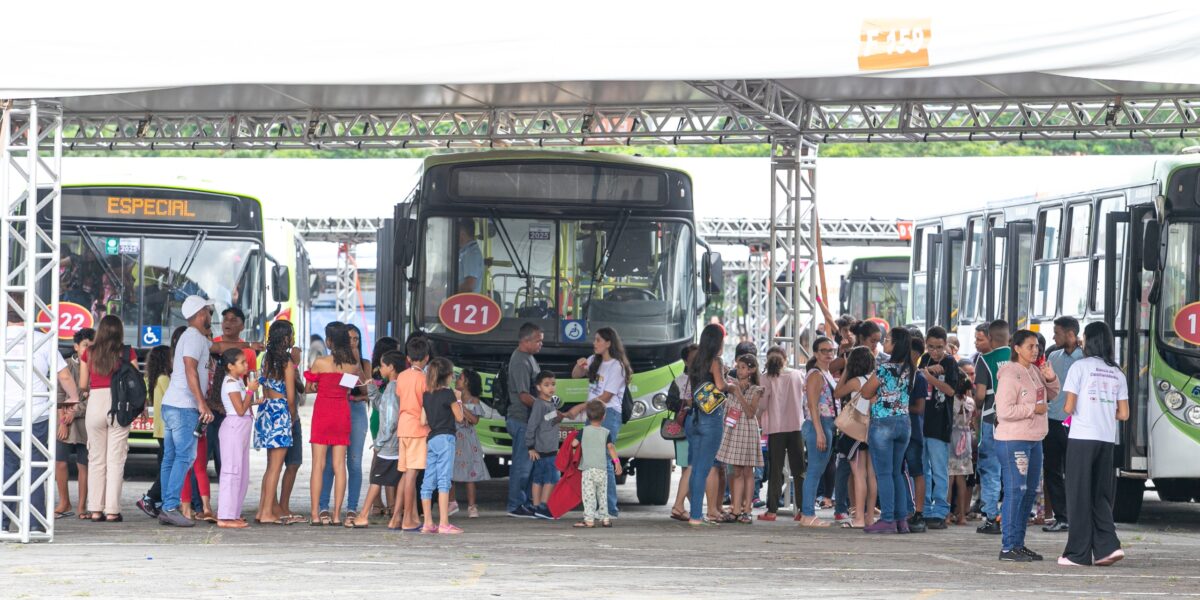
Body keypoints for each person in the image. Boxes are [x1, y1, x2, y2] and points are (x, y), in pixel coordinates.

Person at [158, 296, 262, 528]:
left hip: (173, 404)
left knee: (171, 458)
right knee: (184, 457)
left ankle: (166, 506)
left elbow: (219, 347)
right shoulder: (193, 338)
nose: (211, 316)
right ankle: (170, 507)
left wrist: (248, 346)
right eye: (208, 311)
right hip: (184, 406)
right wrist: (201, 403)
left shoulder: (196, 338)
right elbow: (190, 370)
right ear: (199, 313)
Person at [3, 296, 81, 533]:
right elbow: (65, 376)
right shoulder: (44, 340)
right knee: (35, 468)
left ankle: (3, 523)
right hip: (36, 415)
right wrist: (73, 398)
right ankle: (35, 523)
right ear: (29, 312)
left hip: (4, 415)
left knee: (5, 470)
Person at [1059, 321, 1128, 567]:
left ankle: (1077, 554)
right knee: (1100, 495)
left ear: (1090, 340)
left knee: (1078, 495)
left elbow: (1068, 407)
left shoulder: (1080, 367)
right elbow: (1124, 414)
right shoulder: (1117, 372)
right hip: (1106, 439)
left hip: (1082, 438)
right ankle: (1108, 548)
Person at [993, 328, 1059, 562]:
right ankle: (1008, 545)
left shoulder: (1034, 370)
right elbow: (1004, 411)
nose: (1035, 350)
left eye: (1038, 346)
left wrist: (1050, 377)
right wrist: (1033, 409)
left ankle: (1018, 544)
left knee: (1029, 492)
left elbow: (1052, 395)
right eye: (1030, 346)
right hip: (1014, 440)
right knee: (1016, 491)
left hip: (1034, 439)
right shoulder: (1010, 374)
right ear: (1017, 348)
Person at [566, 327, 632, 519]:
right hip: (593, 412)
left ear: (609, 343)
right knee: (591, 459)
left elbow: (606, 396)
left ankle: (610, 508)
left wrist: (580, 407)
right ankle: (595, 506)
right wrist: (580, 366)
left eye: (598, 340)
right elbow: (575, 375)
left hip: (608, 413)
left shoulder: (617, 366)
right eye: (594, 340)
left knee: (604, 458)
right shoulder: (594, 360)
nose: (594, 343)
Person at [79, 314, 137, 522]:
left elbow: (83, 384)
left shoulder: (89, 352)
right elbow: (134, 382)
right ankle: (112, 510)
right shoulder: (127, 353)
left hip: (95, 404)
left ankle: (95, 509)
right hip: (119, 405)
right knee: (116, 460)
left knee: (95, 459)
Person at [859, 327, 917, 534]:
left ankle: (887, 519)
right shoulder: (911, 368)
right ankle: (901, 519)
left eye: (888, 339)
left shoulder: (885, 368)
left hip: (883, 423)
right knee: (897, 472)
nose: (884, 342)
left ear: (897, 344)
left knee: (883, 473)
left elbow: (866, 392)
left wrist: (875, 395)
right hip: (904, 423)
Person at [305, 323, 362, 526]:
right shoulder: (352, 366)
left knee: (318, 466)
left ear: (329, 341)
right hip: (341, 415)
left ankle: (315, 514)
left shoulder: (320, 362)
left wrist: (320, 385)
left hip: (322, 414)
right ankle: (338, 515)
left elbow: (309, 388)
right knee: (340, 466)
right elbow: (347, 392)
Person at [318, 324, 371, 526]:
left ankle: (351, 508)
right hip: (338, 410)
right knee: (331, 461)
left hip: (356, 413)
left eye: (356, 339)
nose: (353, 342)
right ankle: (324, 506)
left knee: (354, 462)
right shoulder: (332, 363)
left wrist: (356, 362)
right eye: (349, 339)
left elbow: (366, 390)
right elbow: (339, 389)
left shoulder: (363, 362)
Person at [685, 323, 732, 526]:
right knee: (704, 469)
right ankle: (696, 516)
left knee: (696, 468)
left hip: (694, 417)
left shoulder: (695, 361)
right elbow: (721, 386)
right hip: (711, 418)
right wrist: (734, 387)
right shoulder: (716, 361)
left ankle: (695, 513)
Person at [253, 320, 300, 526]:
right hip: (280, 411)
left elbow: (264, 386)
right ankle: (267, 514)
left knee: (270, 466)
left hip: (267, 410)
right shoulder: (287, 362)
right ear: (286, 338)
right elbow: (290, 397)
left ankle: (263, 509)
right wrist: (291, 419)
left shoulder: (266, 359)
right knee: (276, 467)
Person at [353, 350, 404, 529]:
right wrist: (372, 388)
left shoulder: (392, 387)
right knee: (400, 482)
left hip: (388, 446)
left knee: (376, 480)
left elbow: (390, 419)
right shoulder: (395, 386)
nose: (379, 368)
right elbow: (381, 405)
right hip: (397, 444)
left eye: (382, 365)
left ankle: (363, 515)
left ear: (391, 367)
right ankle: (396, 517)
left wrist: (379, 442)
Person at [918, 326, 960, 530]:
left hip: (939, 423)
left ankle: (940, 510)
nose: (935, 352)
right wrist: (924, 371)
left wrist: (930, 378)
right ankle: (924, 507)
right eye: (931, 347)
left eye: (939, 348)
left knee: (939, 469)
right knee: (923, 468)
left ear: (946, 346)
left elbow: (950, 390)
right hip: (922, 422)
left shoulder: (950, 362)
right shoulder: (923, 360)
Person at [714, 354, 764, 524]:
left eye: (743, 367)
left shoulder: (756, 389)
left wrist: (738, 393)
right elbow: (719, 374)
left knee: (748, 471)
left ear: (752, 370)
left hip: (747, 430)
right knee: (735, 471)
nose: (740, 370)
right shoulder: (730, 383)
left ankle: (747, 510)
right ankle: (736, 509)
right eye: (738, 366)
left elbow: (751, 413)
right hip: (733, 429)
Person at [1044, 315, 1082, 534]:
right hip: (1052, 421)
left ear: (1070, 333)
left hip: (1076, 424)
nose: (1053, 336)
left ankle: (1078, 516)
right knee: (1052, 471)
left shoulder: (1085, 358)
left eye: (1057, 332)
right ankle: (1062, 517)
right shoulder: (1053, 356)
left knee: (1076, 471)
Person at [758, 346, 806, 521]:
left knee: (775, 470)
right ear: (785, 359)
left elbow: (762, 405)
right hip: (796, 427)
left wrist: (756, 417)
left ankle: (772, 511)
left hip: (776, 428)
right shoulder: (797, 375)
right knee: (799, 469)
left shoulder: (765, 378)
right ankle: (802, 509)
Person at [214, 348, 260, 528]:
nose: (246, 365)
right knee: (231, 472)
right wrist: (250, 391)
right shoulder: (231, 383)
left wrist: (254, 398)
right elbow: (239, 410)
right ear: (230, 366)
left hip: (241, 429)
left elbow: (244, 405)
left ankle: (233, 512)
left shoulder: (238, 381)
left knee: (241, 472)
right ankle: (225, 516)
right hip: (234, 427)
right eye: (242, 362)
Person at [209, 307, 257, 479]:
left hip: (234, 413)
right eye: (225, 319)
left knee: (227, 461)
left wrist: (250, 401)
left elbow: (247, 383)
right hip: (211, 409)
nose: (228, 323)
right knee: (203, 455)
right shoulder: (212, 345)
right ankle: (197, 502)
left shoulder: (249, 353)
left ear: (243, 326)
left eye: (233, 320)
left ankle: (228, 497)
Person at [974, 320, 1011, 535]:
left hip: (991, 419)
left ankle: (991, 517)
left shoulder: (984, 360)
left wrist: (977, 405)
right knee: (1011, 472)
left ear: (990, 337)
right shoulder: (1018, 358)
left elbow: (980, 395)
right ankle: (1010, 515)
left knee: (990, 469)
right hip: (1016, 422)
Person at [834, 346, 876, 529]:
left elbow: (837, 393)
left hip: (855, 432)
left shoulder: (855, 381)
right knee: (871, 476)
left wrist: (846, 370)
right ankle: (869, 516)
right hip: (872, 430)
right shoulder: (875, 380)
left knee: (858, 474)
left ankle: (858, 517)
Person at [420, 357, 464, 534]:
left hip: (431, 439)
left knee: (428, 481)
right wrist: (459, 399)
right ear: (448, 376)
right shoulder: (449, 394)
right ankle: (444, 523)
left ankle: (428, 523)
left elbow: (423, 420)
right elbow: (460, 417)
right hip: (446, 438)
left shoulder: (426, 394)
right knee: (444, 481)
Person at [798, 337, 838, 527]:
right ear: (815, 353)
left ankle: (807, 513)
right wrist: (819, 431)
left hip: (825, 424)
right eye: (824, 350)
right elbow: (813, 405)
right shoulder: (816, 374)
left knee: (817, 470)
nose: (829, 354)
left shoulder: (826, 372)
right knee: (814, 471)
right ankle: (807, 514)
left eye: (831, 350)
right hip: (819, 423)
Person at [392, 335, 431, 531]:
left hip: (403, 427)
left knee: (406, 473)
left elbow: (400, 397)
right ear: (427, 358)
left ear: (408, 358)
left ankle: (397, 518)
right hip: (418, 429)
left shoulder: (402, 376)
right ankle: (408, 519)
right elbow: (427, 405)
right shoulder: (424, 379)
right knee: (412, 476)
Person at [55, 328, 93, 520]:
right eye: (85, 346)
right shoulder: (66, 366)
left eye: (92, 347)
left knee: (83, 465)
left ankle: (82, 506)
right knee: (59, 462)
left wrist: (75, 411)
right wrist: (63, 421)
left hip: (86, 424)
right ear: (76, 346)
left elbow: (93, 398)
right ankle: (64, 501)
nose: (88, 350)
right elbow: (58, 395)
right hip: (64, 422)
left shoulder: (97, 367)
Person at [506, 323, 544, 518]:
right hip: (521, 419)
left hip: (529, 420)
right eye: (538, 341)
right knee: (521, 465)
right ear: (526, 341)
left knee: (530, 464)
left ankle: (526, 502)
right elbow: (523, 396)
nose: (541, 344)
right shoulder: (520, 361)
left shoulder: (529, 358)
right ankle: (515, 505)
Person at [572, 400, 622, 529]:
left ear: (588, 416)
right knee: (602, 495)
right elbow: (611, 448)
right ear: (604, 416)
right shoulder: (606, 432)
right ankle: (605, 519)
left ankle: (589, 520)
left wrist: (573, 440)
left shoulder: (584, 431)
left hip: (588, 470)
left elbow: (574, 444)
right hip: (602, 470)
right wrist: (617, 463)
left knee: (589, 496)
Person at [136, 344, 172, 519]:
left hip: (159, 428)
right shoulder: (165, 379)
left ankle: (157, 500)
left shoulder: (152, 378)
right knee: (168, 467)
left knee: (164, 464)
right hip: (167, 428)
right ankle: (150, 497)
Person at [451, 368, 489, 519]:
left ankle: (472, 506)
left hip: (468, 440)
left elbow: (474, 420)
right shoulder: (452, 397)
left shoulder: (474, 401)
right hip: (454, 438)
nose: (457, 381)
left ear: (467, 383)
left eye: (460, 378)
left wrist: (460, 404)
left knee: (470, 474)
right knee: (451, 471)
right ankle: (451, 501)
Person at [669, 344, 699, 522]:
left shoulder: (705, 378)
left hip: (695, 426)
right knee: (687, 467)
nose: (697, 359)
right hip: (682, 429)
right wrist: (685, 402)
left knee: (691, 467)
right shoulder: (679, 380)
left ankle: (686, 504)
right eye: (694, 356)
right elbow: (669, 403)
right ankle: (681, 505)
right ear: (686, 360)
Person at [526, 370, 563, 518]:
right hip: (545, 449)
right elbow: (532, 425)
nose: (551, 388)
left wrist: (557, 417)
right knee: (551, 478)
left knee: (539, 478)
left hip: (548, 448)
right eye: (547, 385)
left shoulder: (549, 404)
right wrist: (530, 446)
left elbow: (545, 420)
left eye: (553, 384)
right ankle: (543, 506)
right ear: (539, 387)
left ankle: (536, 507)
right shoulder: (539, 404)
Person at [949, 377, 976, 526]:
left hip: (953, 438)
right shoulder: (970, 402)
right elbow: (974, 417)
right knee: (962, 479)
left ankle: (946, 514)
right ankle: (962, 515)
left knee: (949, 478)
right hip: (965, 441)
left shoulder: (952, 401)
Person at [457, 218, 484, 293]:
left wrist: (447, 290)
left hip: (464, 302)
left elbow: (469, 286)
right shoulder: (465, 252)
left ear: (461, 233)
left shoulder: (471, 254)